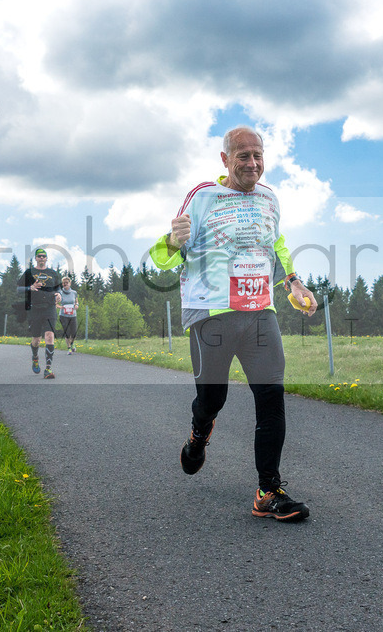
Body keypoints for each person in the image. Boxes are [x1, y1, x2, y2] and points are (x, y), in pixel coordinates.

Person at [149, 126, 318, 522]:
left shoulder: (270, 199)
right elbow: (163, 258)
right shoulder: (203, 196)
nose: (252, 163)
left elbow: (276, 246)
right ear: (225, 159)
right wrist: (172, 243)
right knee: (213, 399)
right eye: (243, 156)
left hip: (260, 312)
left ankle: (268, 490)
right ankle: (199, 431)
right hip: (211, 312)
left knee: (271, 396)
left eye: (258, 155)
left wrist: (293, 282)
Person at [18, 247, 62, 379]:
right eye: (39, 256)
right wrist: (29, 287)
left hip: (49, 308)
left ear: (47, 258)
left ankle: (48, 369)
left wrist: (59, 295)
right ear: (36, 258)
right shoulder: (29, 272)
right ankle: (35, 357)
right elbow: (18, 288)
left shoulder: (53, 273)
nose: (42, 258)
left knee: (49, 336)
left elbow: (58, 288)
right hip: (35, 309)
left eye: (44, 256)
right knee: (36, 340)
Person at [57, 277, 79, 354]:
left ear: (69, 283)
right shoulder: (60, 293)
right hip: (63, 315)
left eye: (67, 282)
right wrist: (61, 307)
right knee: (67, 332)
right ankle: (69, 348)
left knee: (74, 333)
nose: (65, 284)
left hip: (73, 315)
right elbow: (55, 303)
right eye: (64, 283)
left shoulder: (74, 292)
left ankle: (72, 344)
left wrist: (76, 305)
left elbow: (76, 302)